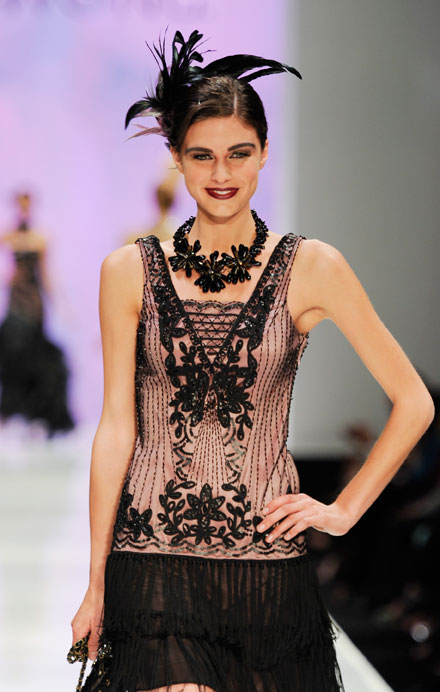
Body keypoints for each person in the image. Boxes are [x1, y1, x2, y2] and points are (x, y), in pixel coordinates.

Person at [70, 29, 434, 692]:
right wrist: (96, 580)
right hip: (151, 558)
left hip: (266, 568)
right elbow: (117, 426)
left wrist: (343, 510)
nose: (221, 175)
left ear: (265, 152)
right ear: (176, 159)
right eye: (202, 155)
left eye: (239, 153)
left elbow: (414, 401)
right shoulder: (127, 271)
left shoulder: (311, 267)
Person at [0, 191, 74, 437]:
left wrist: (63, 307)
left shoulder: (39, 238)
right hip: (15, 300)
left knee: (34, 355)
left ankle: (34, 415)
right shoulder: (10, 236)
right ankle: (11, 411)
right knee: (12, 354)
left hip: (33, 302)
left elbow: (46, 275)